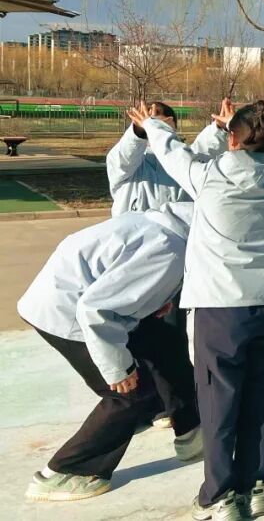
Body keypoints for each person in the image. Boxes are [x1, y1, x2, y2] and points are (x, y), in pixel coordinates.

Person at [135, 99, 264, 521]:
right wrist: (243, 130)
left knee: (220, 401)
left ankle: (220, 496)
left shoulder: (211, 175)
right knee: (262, 399)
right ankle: (256, 485)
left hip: (221, 309)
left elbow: (171, 151)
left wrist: (152, 123)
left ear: (232, 140)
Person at [18, 203, 203, 503]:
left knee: (164, 342)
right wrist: (119, 368)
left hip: (74, 297)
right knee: (131, 392)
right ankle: (65, 473)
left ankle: (191, 431)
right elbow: (95, 310)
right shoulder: (168, 251)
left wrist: (156, 297)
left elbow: (120, 279)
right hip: (67, 315)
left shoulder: (166, 226)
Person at [106, 99, 228, 427]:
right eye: (151, 118)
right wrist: (139, 131)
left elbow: (202, 149)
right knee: (134, 335)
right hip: (132, 263)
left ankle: (175, 404)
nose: (157, 123)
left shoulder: (180, 161)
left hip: (170, 263)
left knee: (171, 335)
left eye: (163, 119)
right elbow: (124, 155)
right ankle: (149, 401)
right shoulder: (129, 164)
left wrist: (218, 128)